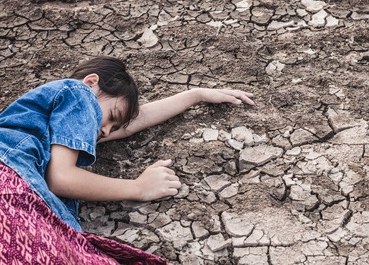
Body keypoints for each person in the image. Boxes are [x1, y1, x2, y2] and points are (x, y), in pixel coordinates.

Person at [0, 56, 254, 264]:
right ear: (91, 83)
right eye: (112, 116)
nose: (108, 132)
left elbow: (134, 123)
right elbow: (61, 178)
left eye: (114, 126)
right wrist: (138, 188)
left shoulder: (63, 131)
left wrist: (195, 95)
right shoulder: (79, 92)